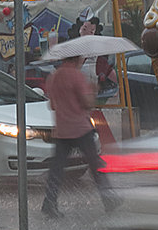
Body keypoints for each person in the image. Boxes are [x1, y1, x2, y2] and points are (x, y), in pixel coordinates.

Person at [40, 54, 119, 219]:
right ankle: (109, 199)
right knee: (95, 165)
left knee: (57, 169)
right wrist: (94, 90)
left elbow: (52, 105)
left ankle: (49, 203)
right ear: (77, 60)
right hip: (80, 129)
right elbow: (88, 103)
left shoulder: (53, 78)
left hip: (62, 130)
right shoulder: (77, 76)